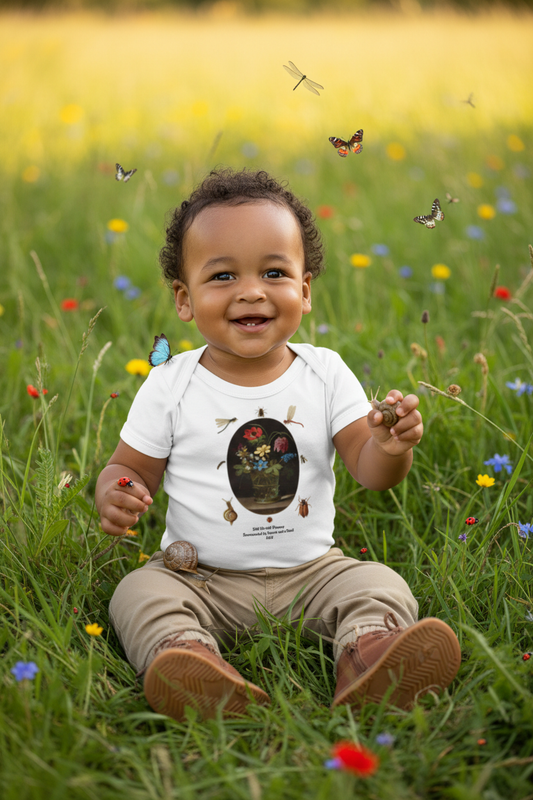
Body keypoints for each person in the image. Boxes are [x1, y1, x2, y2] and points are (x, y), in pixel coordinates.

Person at [96, 168, 461, 722]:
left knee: (377, 582)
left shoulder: (325, 373)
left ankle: (369, 655)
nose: (251, 291)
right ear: (184, 299)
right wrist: (117, 491)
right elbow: (129, 468)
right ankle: (188, 657)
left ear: (304, 290)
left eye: (273, 272)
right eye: (222, 275)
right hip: (200, 579)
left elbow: (371, 472)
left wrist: (390, 448)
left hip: (313, 575)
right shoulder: (170, 384)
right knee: (138, 592)